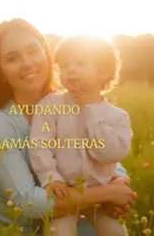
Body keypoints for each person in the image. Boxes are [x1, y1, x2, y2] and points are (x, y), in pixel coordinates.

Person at [0, 20, 136, 233]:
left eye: (33, 51)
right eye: (12, 58)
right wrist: (107, 193)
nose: (27, 63)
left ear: (46, 53)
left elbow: (95, 149)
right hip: (15, 228)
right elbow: (26, 202)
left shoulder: (72, 101)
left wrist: (120, 180)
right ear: (1, 71)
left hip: (66, 212)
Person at [28, 35, 132, 236]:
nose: (71, 70)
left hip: (101, 196)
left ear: (103, 71)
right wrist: (51, 178)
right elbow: (39, 145)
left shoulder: (117, 117)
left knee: (116, 232)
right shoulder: (50, 106)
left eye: (80, 63)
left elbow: (110, 154)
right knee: (59, 231)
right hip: (65, 192)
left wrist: (91, 110)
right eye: (65, 66)